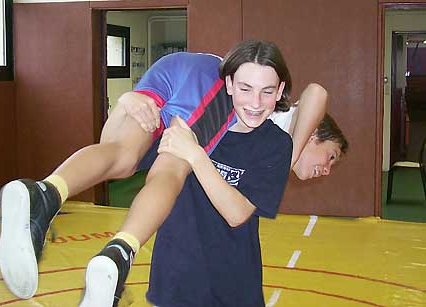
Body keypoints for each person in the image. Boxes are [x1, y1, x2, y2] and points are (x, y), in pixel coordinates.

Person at [79, 39, 293, 307]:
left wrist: (195, 155)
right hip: (175, 278)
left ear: (280, 90)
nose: (255, 102)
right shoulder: (191, 117)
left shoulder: (275, 145)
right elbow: (118, 156)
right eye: (245, 89)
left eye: (267, 91)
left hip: (234, 285)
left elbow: (237, 214)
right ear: (229, 85)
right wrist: (128, 101)